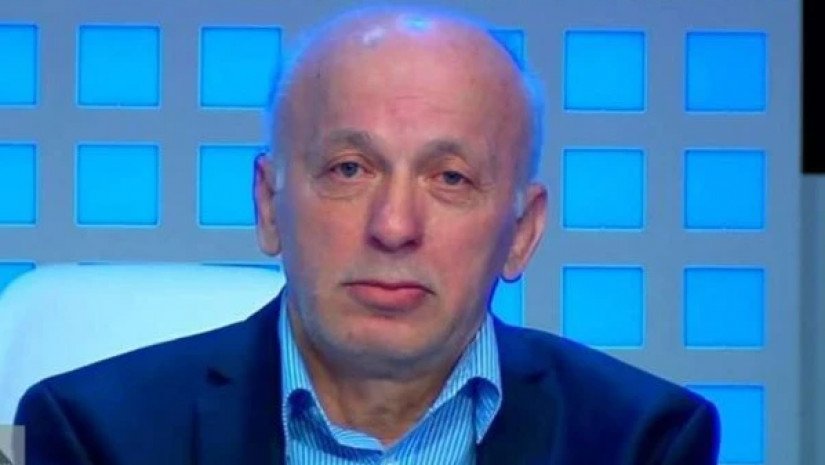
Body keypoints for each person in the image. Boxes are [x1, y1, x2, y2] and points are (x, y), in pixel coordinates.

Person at [15, 6, 720, 464]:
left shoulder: (644, 440)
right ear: (269, 206)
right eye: (349, 169)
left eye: (450, 178)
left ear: (522, 232)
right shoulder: (86, 432)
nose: (393, 226)